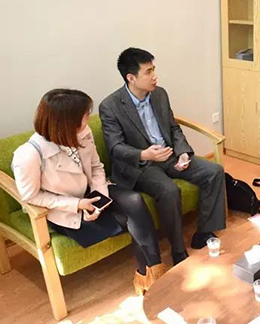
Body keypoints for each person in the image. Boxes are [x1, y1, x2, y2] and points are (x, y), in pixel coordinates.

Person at [12, 89, 165, 295]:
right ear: (67, 122)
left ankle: (151, 273)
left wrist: (100, 197)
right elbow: (31, 196)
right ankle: (148, 277)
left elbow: (96, 167)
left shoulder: (83, 133)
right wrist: (77, 205)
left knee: (134, 201)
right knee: (133, 219)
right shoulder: (29, 155)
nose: (88, 119)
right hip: (67, 208)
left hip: (92, 193)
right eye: (85, 115)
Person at [99, 47, 226, 266]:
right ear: (131, 78)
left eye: (154, 69)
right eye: (148, 72)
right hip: (141, 165)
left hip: (169, 154)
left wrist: (183, 152)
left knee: (214, 171)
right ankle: (178, 250)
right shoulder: (110, 106)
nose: (155, 76)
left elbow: (173, 127)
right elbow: (115, 147)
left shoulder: (159, 94)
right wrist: (144, 154)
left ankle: (204, 232)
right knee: (169, 190)